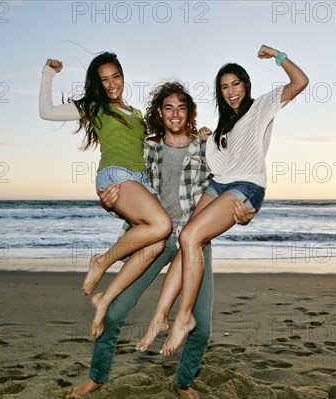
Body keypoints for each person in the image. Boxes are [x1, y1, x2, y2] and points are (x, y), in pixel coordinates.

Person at [67, 82, 255, 399]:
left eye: (182, 107)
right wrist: (109, 202)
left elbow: (231, 186)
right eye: (169, 107)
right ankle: (97, 376)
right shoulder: (145, 148)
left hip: (193, 242)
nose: (175, 114)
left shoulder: (207, 146)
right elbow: (128, 193)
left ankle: (182, 382)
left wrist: (244, 211)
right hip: (153, 239)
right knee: (114, 312)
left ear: (190, 113)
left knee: (202, 326)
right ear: (160, 113)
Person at [141, 44, 309, 356]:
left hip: (247, 186)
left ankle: (184, 318)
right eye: (224, 87)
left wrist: (277, 56)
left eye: (235, 84)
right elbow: (217, 169)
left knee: (191, 236)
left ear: (246, 85)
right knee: (185, 241)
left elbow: (300, 82)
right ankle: (159, 317)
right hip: (220, 184)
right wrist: (207, 140)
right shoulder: (221, 128)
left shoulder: (262, 106)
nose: (231, 91)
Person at [39, 53, 172, 339]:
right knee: (162, 225)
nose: (112, 84)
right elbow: (47, 112)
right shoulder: (96, 107)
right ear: (98, 84)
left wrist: (197, 133)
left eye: (116, 77)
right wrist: (47, 74)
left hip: (140, 182)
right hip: (114, 176)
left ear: (123, 77)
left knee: (156, 244)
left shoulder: (136, 114)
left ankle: (104, 299)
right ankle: (101, 261)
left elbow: (156, 145)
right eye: (105, 80)